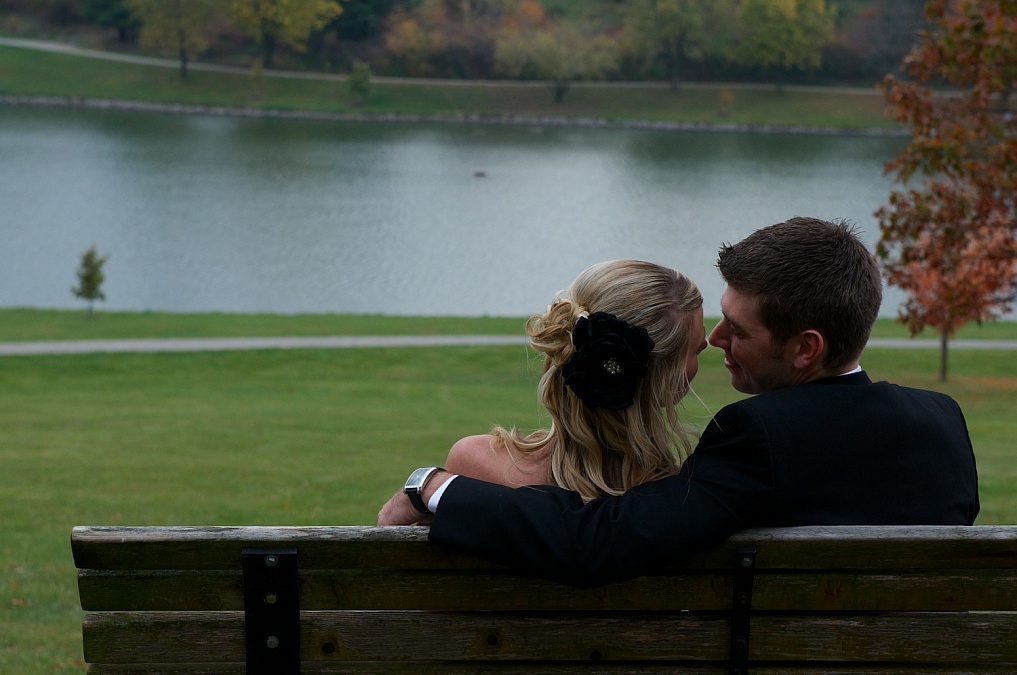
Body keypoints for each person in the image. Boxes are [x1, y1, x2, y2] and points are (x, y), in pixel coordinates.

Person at [378, 217, 980, 588]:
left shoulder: (759, 438)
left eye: (738, 330)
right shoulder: (942, 424)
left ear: (806, 349)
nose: (719, 342)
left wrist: (435, 485)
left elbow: (596, 543)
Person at [442, 259, 707, 501]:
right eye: (697, 350)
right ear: (665, 379)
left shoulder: (475, 466)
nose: (708, 345)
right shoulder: (676, 496)